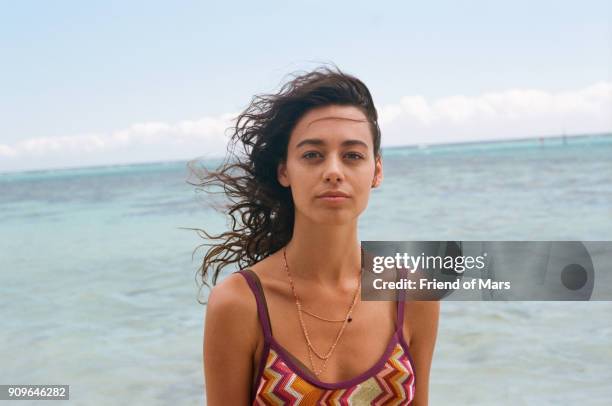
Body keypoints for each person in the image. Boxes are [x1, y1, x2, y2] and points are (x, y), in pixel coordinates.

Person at [197, 66, 440, 405]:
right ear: (285, 170)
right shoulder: (241, 303)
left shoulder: (412, 296)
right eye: (312, 155)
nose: (333, 172)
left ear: (377, 171)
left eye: (352, 156)